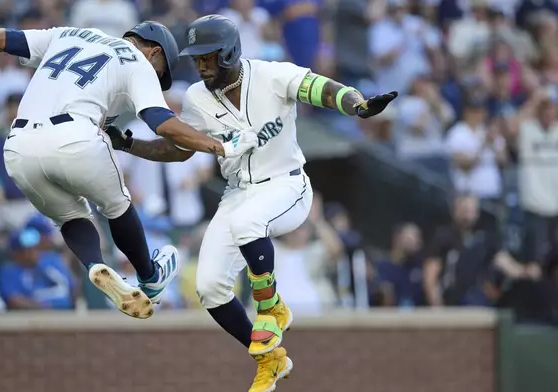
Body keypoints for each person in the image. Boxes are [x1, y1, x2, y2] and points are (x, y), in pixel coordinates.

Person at [106, 15, 397, 392]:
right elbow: (178, 151)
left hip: (287, 186)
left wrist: (356, 105)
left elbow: (322, 89)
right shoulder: (196, 96)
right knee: (210, 288)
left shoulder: (271, 75)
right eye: (196, 58)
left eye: (208, 57)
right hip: (238, 192)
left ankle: (272, 306)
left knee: (247, 224)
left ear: (229, 52)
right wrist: (129, 144)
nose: (201, 64)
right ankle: (270, 359)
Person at [0, 22, 260, 319]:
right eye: (160, 72)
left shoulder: (69, 34)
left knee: (71, 218)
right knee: (116, 205)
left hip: (18, 147)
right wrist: (222, 146)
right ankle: (150, 276)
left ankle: (95, 265)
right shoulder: (138, 62)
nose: (158, 78)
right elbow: (162, 124)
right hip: (75, 138)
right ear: (155, 51)